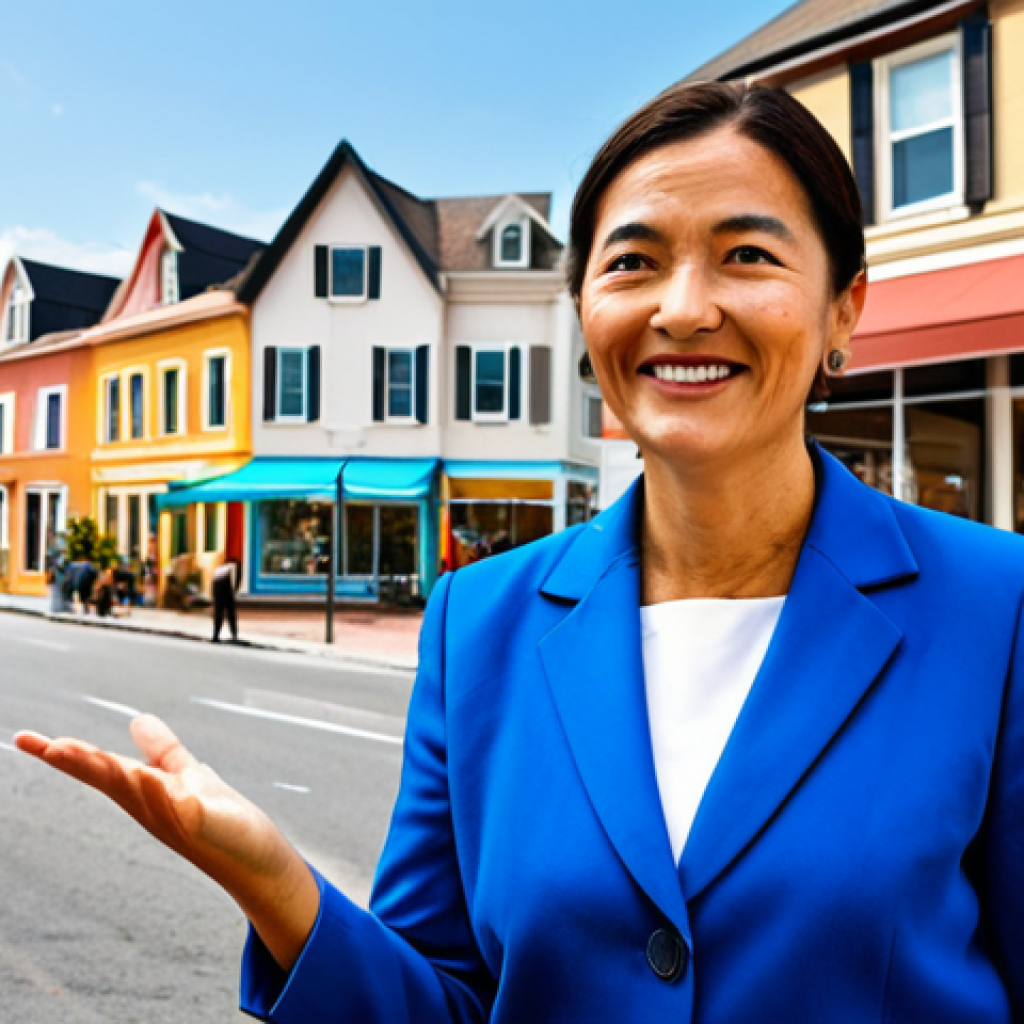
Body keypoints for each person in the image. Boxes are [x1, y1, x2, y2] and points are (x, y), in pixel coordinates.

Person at [14, 82, 1023, 1022]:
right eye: (632, 262)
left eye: (747, 255)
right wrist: (281, 890)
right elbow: (445, 997)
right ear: (584, 311)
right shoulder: (478, 624)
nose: (681, 308)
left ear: (844, 306)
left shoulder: (996, 605)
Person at [211, 558, 239, 643]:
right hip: (226, 589)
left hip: (217, 589)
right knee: (231, 614)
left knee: (218, 613)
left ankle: (215, 636)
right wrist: (233, 592)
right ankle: (234, 636)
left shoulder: (219, 568)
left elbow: (213, 582)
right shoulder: (233, 566)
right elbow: (233, 580)